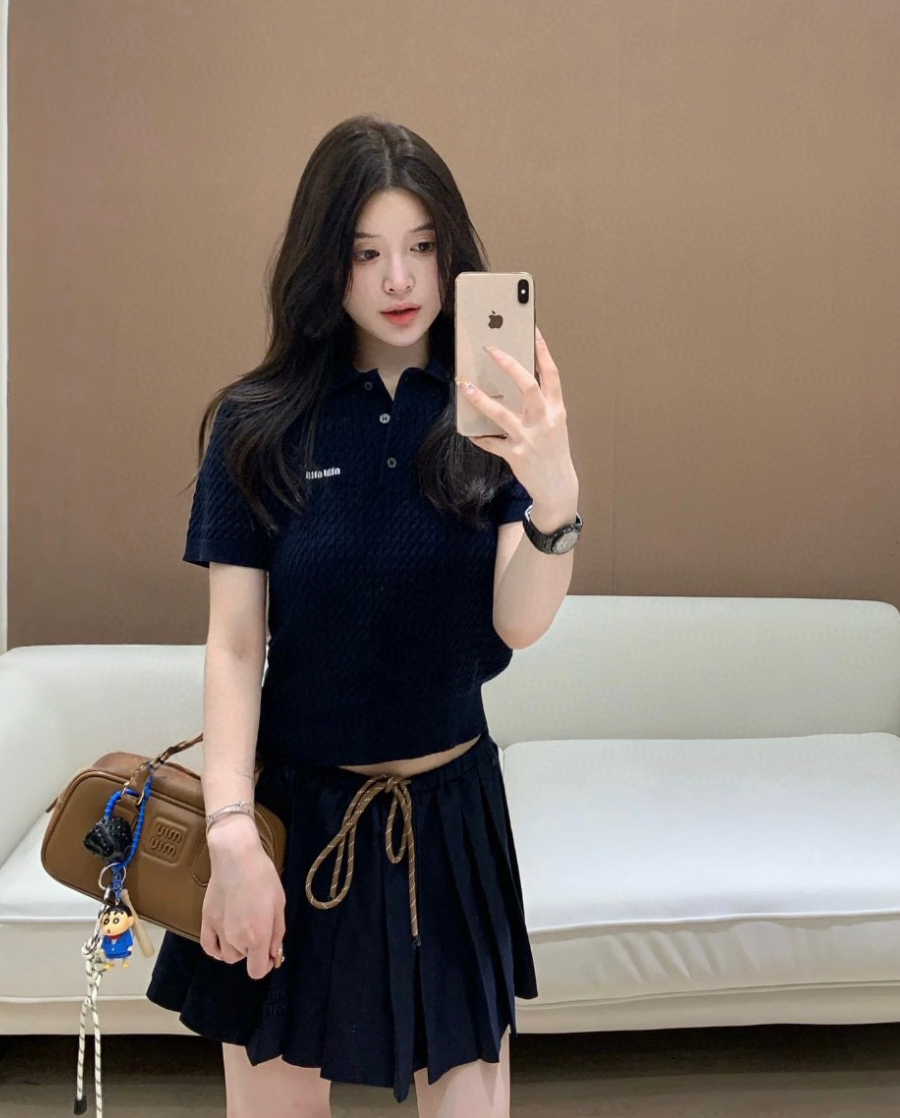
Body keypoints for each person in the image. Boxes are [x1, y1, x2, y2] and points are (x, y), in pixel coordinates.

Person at [146, 115, 583, 1118]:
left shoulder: (490, 416)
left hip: (451, 819)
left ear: (452, 253)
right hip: (293, 822)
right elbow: (234, 643)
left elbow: (518, 624)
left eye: (422, 247)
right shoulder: (259, 423)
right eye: (366, 252)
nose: (399, 279)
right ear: (325, 263)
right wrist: (230, 833)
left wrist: (555, 495)